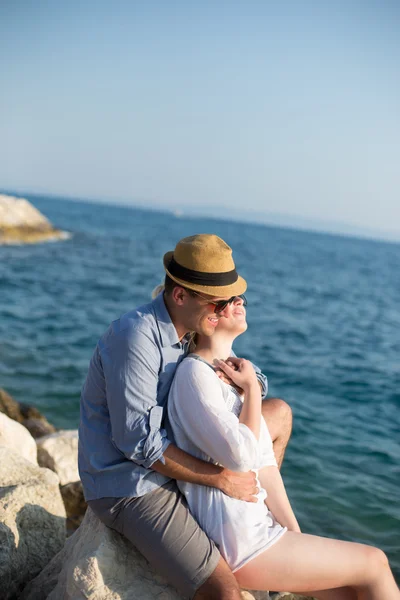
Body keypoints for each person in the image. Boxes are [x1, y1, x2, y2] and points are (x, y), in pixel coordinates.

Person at [78, 233, 292, 600]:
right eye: (218, 302)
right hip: (132, 484)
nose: (225, 310)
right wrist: (222, 479)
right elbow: (139, 446)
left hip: (173, 452)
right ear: (180, 296)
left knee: (279, 416)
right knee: (225, 592)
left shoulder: (189, 330)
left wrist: (248, 381)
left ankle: (259, 527)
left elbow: (241, 383)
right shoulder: (137, 338)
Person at [168, 296, 400, 599]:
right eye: (227, 300)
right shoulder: (194, 375)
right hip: (238, 539)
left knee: (352, 592)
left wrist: (294, 532)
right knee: (375, 562)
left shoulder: (231, 375)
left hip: (260, 530)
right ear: (208, 316)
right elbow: (241, 456)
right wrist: (251, 390)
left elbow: (264, 465)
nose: (240, 301)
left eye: (242, 297)